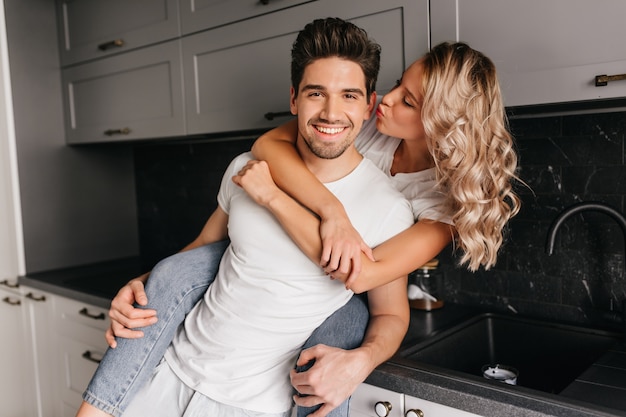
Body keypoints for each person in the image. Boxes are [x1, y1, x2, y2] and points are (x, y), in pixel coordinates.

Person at [78, 35, 521, 417]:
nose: (387, 100)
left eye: (409, 100)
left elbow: (361, 274)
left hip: (354, 280)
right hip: (284, 253)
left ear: (441, 125)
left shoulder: (440, 204)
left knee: (344, 329)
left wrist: (273, 199)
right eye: (396, 86)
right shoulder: (366, 125)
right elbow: (269, 143)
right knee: (178, 271)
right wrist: (332, 213)